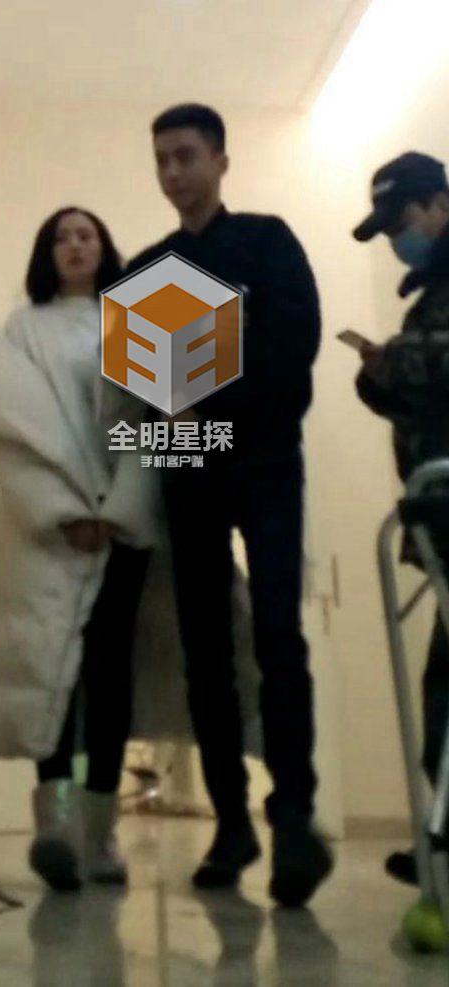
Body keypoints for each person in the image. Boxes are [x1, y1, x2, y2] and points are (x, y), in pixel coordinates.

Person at [126, 103, 333, 906]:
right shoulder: (147, 267)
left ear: (220, 159)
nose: (173, 171)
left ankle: (295, 816)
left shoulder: (267, 241)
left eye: (185, 155)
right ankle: (232, 823)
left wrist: (202, 388)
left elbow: (293, 349)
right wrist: (184, 405)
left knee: (277, 634)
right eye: (161, 159)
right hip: (189, 468)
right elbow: (147, 390)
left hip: (268, 458)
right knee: (204, 648)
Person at [0, 207, 158, 891]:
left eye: (86, 234)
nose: (74, 245)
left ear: (105, 247)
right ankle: (56, 827)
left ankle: (100, 836)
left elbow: (158, 427)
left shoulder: (139, 324)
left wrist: (118, 510)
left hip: (122, 528)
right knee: (50, 669)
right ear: (46, 253)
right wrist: (63, 510)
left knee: (109, 672)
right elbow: (5, 438)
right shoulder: (16, 337)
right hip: (45, 531)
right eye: (60, 237)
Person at [353, 151, 449, 886]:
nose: (397, 239)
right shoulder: (431, 293)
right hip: (438, 513)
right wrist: (379, 378)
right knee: (442, 688)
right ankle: (442, 843)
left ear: (441, 203)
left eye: (403, 221)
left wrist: (397, 361)